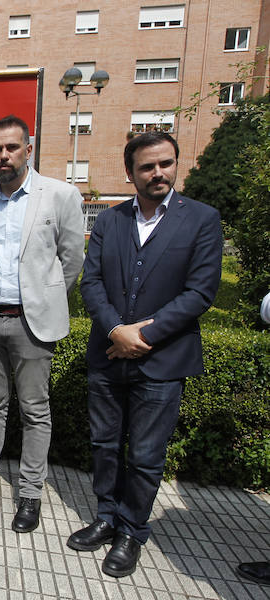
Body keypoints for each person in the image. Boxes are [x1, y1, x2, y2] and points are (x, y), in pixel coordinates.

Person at [71, 131, 223, 578]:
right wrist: (116, 330)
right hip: (108, 355)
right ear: (130, 173)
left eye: (166, 163)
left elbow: (200, 292)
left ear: (176, 164)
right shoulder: (110, 220)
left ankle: (131, 531)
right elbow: (91, 283)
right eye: (147, 166)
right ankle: (106, 516)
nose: (158, 173)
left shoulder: (201, 219)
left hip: (161, 361)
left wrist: (141, 335)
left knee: (146, 454)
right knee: (104, 445)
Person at [0, 115, 85, 535]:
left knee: (34, 410)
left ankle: (30, 493)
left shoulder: (59, 195)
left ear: (28, 149)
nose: (3, 156)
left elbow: (72, 260)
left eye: (11, 148)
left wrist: (42, 297)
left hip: (32, 323)